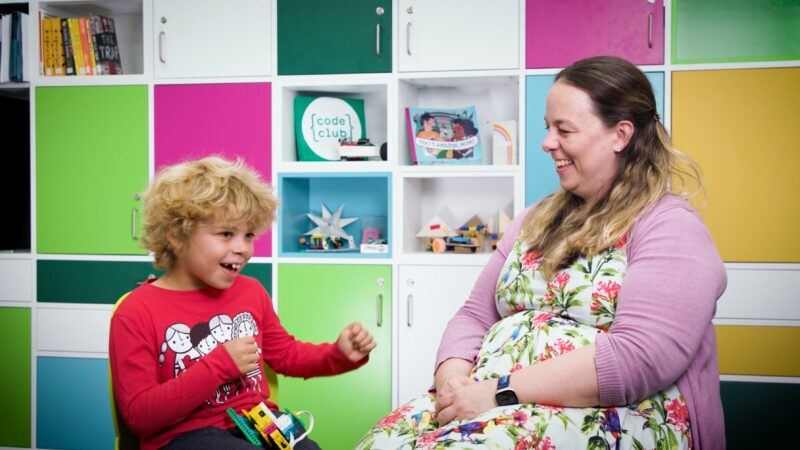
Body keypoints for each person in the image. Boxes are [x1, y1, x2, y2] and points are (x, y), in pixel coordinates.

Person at [357, 56, 726, 449]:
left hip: (603, 413)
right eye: (548, 128)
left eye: (563, 129)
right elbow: (475, 315)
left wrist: (496, 393)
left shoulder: (669, 225)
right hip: (488, 400)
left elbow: (640, 357)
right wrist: (453, 385)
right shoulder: (535, 217)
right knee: (380, 442)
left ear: (620, 135)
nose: (547, 142)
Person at [109, 156, 377, 450]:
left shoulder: (251, 292)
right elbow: (140, 416)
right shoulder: (136, 311)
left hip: (259, 424)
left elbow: (287, 355)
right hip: (184, 437)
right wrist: (219, 367)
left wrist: (339, 354)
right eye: (226, 234)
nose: (242, 249)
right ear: (176, 234)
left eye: (248, 235)